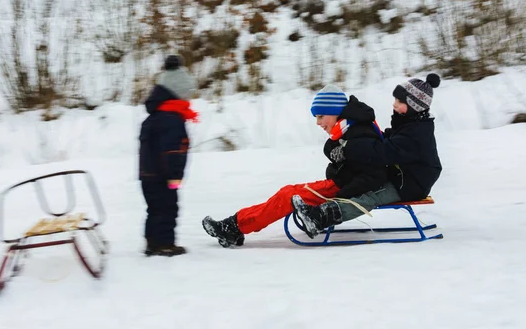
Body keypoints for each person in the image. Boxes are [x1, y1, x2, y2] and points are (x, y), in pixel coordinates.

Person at [202, 84, 388, 247]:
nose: (318, 122)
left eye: (321, 116)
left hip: (342, 188)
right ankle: (235, 225)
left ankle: (233, 227)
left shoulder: (359, 134)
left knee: (287, 197)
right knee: (287, 193)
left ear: (334, 111)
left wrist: (340, 195)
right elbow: (347, 163)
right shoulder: (351, 129)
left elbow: (371, 173)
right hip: (340, 183)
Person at [292, 74, 443, 238]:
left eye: (400, 102)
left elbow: (384, 152)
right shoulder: (410, 124)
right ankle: (320, 211)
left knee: (371, 197)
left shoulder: (416, 133)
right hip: (402, 175)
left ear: (414, 106)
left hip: (412, 183)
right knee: (367, 184)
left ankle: (319, 218)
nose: (394, 104)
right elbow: (389, 140)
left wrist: (349, 147)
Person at [139, 55, 198, 256]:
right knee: (167, 209)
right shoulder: (171, 119)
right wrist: (174, 177)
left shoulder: (154, 117)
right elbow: (173, 150)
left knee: (154, 210)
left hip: (148, 175)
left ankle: (152, 243)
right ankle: (164, 244)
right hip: (164, 177)